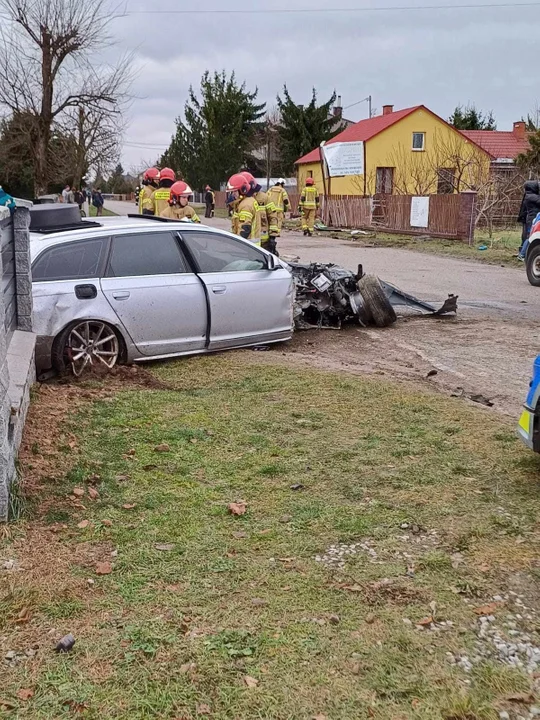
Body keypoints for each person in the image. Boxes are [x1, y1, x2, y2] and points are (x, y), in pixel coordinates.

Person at [226, 172, 279, 253]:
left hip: (263, 240)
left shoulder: (263, 198)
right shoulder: (242, 202)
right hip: (254, 240)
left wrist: (272, 236)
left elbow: (273, 216)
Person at [517, 180, 540, 260]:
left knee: (529, 236)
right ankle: (522, 254)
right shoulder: (531, 196)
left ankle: (523, 253)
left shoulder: (529, 195)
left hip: (532, 218)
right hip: (533, 219)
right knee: (530, 237)